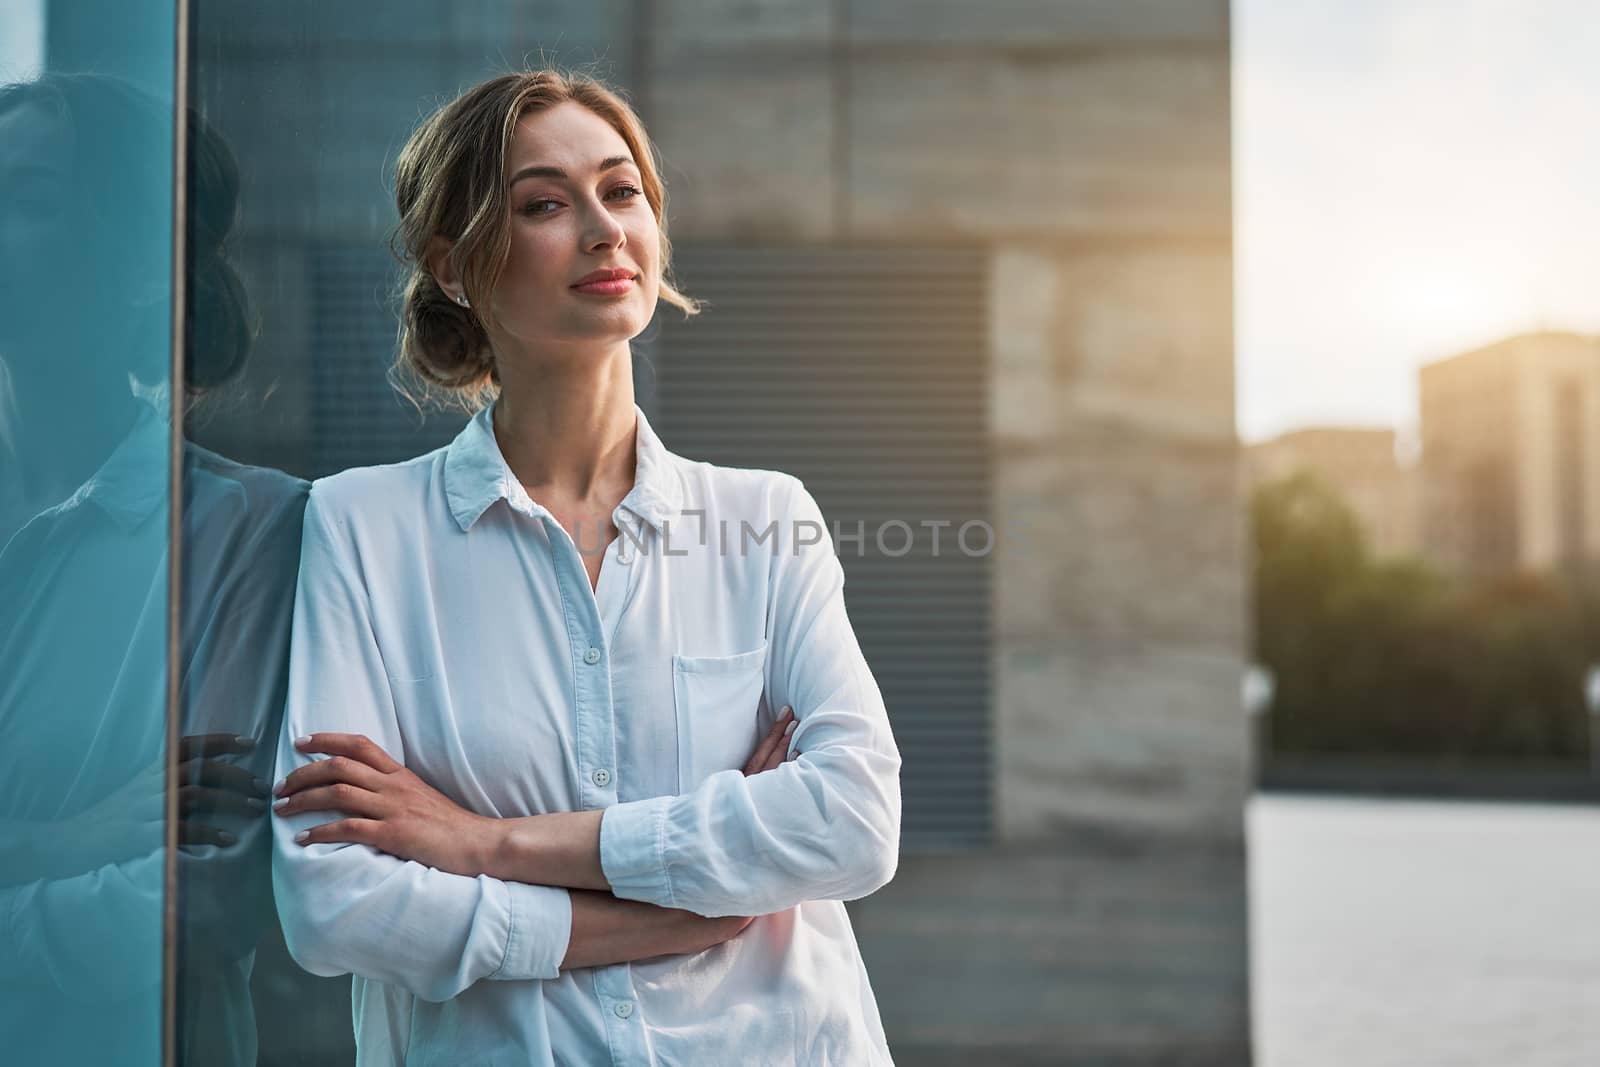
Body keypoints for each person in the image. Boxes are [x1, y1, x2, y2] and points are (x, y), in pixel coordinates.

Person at [268, 69, 904, 1065]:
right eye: (544, 204)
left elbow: (853, 822)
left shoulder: (765, 518)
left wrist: (483, 844)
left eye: (623, 191)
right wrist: (671, 901)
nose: (605, 229)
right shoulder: (360, 526)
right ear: (452, 265)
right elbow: (335, 901)